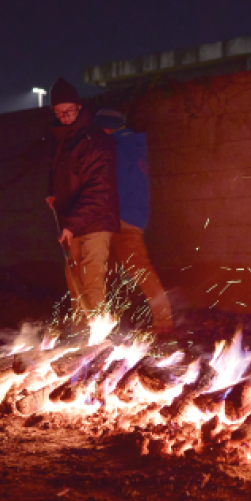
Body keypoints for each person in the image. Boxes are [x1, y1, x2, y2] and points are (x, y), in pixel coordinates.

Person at [93, 108, 174, 337]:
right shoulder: (133, 147)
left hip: (120, 219)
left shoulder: (118, 150)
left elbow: (110, 186)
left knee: (138, 272)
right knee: (130, 273)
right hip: (133, 217)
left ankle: (164, 326)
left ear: (105, 128)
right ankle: (118, 326)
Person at [46, 78, 120, 324]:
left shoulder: (94, 141)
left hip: (95, 222)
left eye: (68, 111)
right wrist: (53, 192)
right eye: (58, 112)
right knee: (74, 280)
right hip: (72, 221)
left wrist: (72, 223)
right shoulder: (64, 141)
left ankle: (99, 338)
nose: (63, 117)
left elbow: (101, 189)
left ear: (79, 108)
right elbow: (61, 174)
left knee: (91, 280)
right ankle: (83, 342)